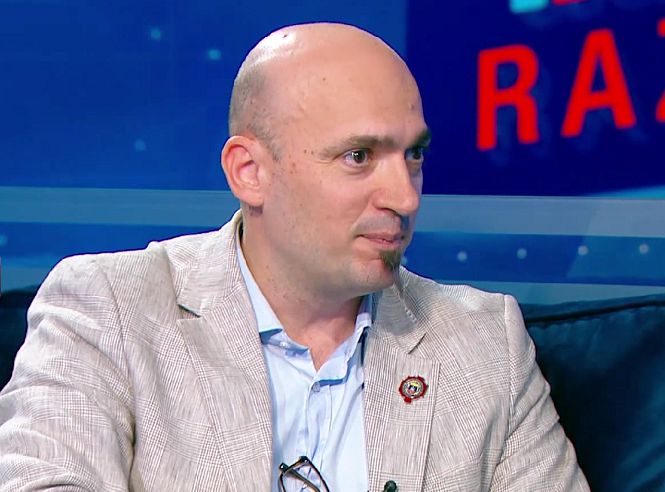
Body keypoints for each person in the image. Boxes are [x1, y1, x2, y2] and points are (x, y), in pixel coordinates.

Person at [0, 22, 590, 492]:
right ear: (249, 172)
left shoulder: (483, 343)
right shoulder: (110, 310)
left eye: (413, 155)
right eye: (359, 157)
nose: (406, 197)